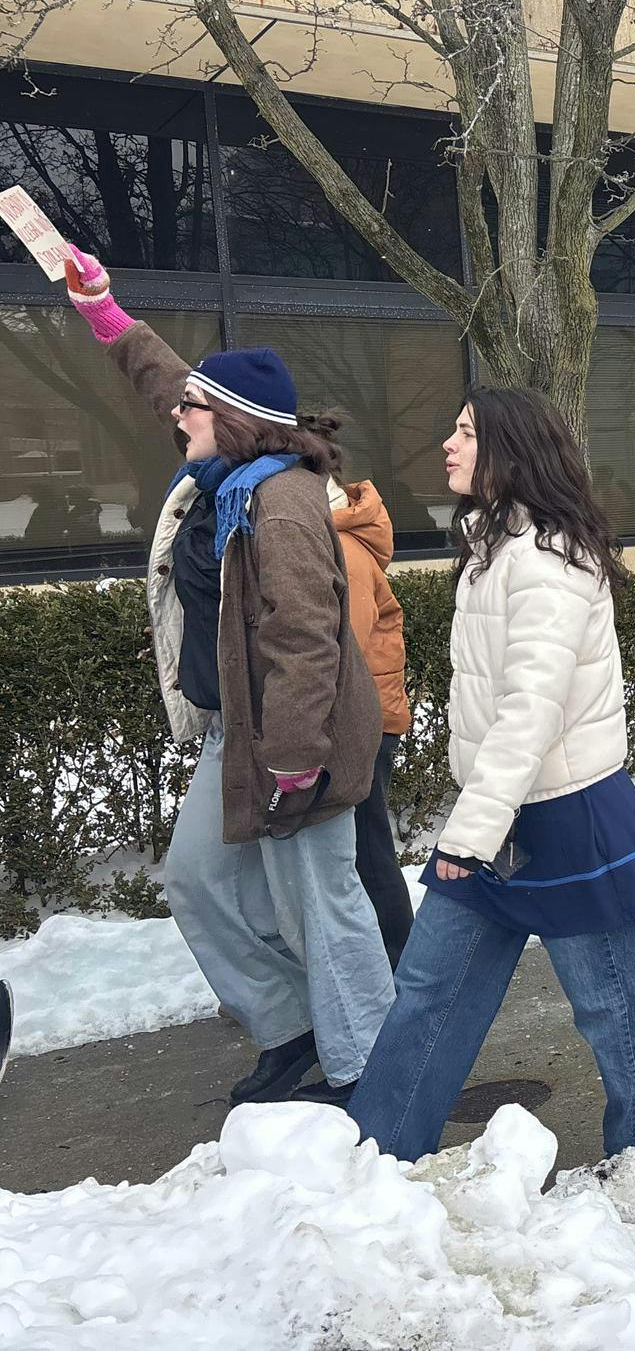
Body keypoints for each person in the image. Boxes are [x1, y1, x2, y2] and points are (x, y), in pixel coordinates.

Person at [63, 247, 393, 1104]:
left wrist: (293, 758)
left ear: (237, 419)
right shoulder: (223, 478)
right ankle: (292, 1027)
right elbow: (166, 379)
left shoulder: (277, 502)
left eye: (196, 408)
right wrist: (104, 310)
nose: (180, 416)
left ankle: (375, 1072)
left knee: (320, 903)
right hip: (232, 732)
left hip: (296, 740)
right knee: (199, 881)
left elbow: (306, 640)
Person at [348, 388, 635, 1166]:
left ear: (510, 451)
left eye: (465, 431)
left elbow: (530, 709)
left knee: (610, 1003)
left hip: (566, 815)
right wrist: (478, 826)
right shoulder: (493, 547)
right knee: (430, 990)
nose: (448, 443)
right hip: (499, 813)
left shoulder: (545, 560)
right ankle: (378, 1155)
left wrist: (467, 836)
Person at [331, 477, 414, 969]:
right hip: (368, 714)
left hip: (365, 719)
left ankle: (402, 956)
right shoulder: (341, 539)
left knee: (367, 844)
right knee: (364, 841)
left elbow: (346, 646)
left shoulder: (343, 547)